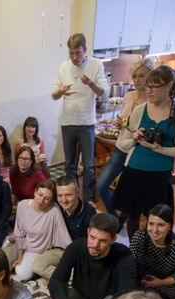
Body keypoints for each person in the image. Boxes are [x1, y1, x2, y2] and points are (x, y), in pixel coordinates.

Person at [113, 66, 175, 238]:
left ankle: (151, 248)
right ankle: (135, 248)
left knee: (156, 220)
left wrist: (160, 149)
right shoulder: (140, 110)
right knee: (132, 216)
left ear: (168, 86)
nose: (148, 90)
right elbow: (124, 144)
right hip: (134, 170)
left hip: (159, 175)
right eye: (148, 86)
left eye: (154, 86)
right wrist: (134, 138)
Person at [52, 33, 108, 201]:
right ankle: (73, 198)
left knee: (89, 166)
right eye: (71, 53)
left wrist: (90, 83)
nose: (75, 57)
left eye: (78, 52)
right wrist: (60, 91)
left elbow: (102, 92)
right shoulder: (64, 66)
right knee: (70, 165)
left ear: (85, 50)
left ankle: (88, 200)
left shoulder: (96, 64)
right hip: (68, 122)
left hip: (86, 123)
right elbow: (54, 95)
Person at [96, 59, 155, 213]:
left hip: (138, 152)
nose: (137, 80)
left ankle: (124, 220)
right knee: (101, 186)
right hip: (121, 148)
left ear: (151, 76)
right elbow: (124, 120)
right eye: (134, 76)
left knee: (130, 195)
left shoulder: (153, 100)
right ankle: (114, 218)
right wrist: (119, 123)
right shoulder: (128, 96)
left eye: (141, 76)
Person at [32, 177, 98, 279]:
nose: (64, 200)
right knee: (37, 266)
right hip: (59, 249)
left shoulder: (89, 213)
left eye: (68, 195)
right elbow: (37, 204)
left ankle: (76, 276)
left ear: (77, 192)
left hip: (78, 252)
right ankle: (73, 277)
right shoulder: (56, 206)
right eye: (60, 195)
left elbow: (94, 241)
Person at [11, 179, 72, 281]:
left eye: (47, 199)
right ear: (35, 192)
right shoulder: (22, 205)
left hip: (40, 252)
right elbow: (19, 233)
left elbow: (64, 235)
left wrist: (73, 255)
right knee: (3, 260)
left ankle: (38, 269)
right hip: (24, 246)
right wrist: (19, 257)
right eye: (40, 195)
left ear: (51, 202)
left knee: (23, 274)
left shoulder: (54, 210)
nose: (41, 200)